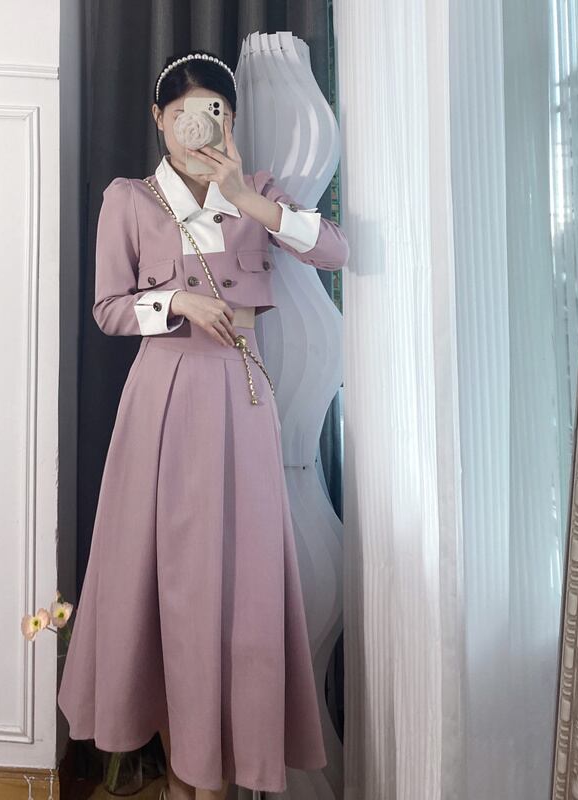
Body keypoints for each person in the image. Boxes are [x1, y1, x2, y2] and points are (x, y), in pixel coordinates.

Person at [57, 49, 350, 800]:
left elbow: (333, 249)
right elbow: (108, 309)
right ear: (159, 118)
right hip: (163, 397)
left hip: (243, 396)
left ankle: (211, 775)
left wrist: (243, 196)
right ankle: (185, 775)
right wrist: (177, 303)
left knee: (238, 586)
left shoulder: (256, 191)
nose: (197, 128)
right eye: (183, 114)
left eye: (214, 113)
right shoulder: (130, 198)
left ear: (231, 120)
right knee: (166, 581)